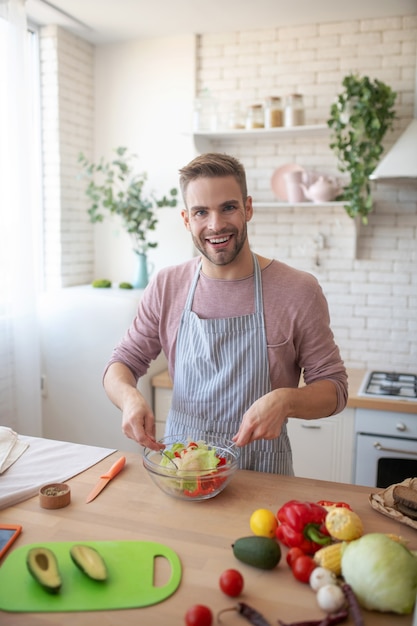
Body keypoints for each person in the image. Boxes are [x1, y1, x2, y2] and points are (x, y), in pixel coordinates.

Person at [103, 152, 348, 474]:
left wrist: (286, 400)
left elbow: (335, 388)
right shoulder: (167, 285)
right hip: (183, 472)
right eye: (201, 212)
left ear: (248, 208)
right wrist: (129, 397)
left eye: (228, 207)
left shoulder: (297, 290)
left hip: (263, 476)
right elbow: (121, 363)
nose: (215, 225)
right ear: (186, 219)